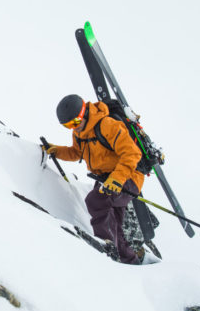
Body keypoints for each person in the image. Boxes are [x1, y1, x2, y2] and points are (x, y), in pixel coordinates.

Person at [45, 94, 144, 265]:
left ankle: (105, 247)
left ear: (83, 112)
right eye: (67, 126)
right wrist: (56, 151)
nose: (73, 128)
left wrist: (117, 179)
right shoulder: (79, 132)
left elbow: (132, 153)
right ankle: (129, 261)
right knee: (115, 225)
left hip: (127, 177)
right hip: (107, 179)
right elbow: (76, 153)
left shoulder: (107, 125)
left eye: (74, 123)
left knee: (95, 201)